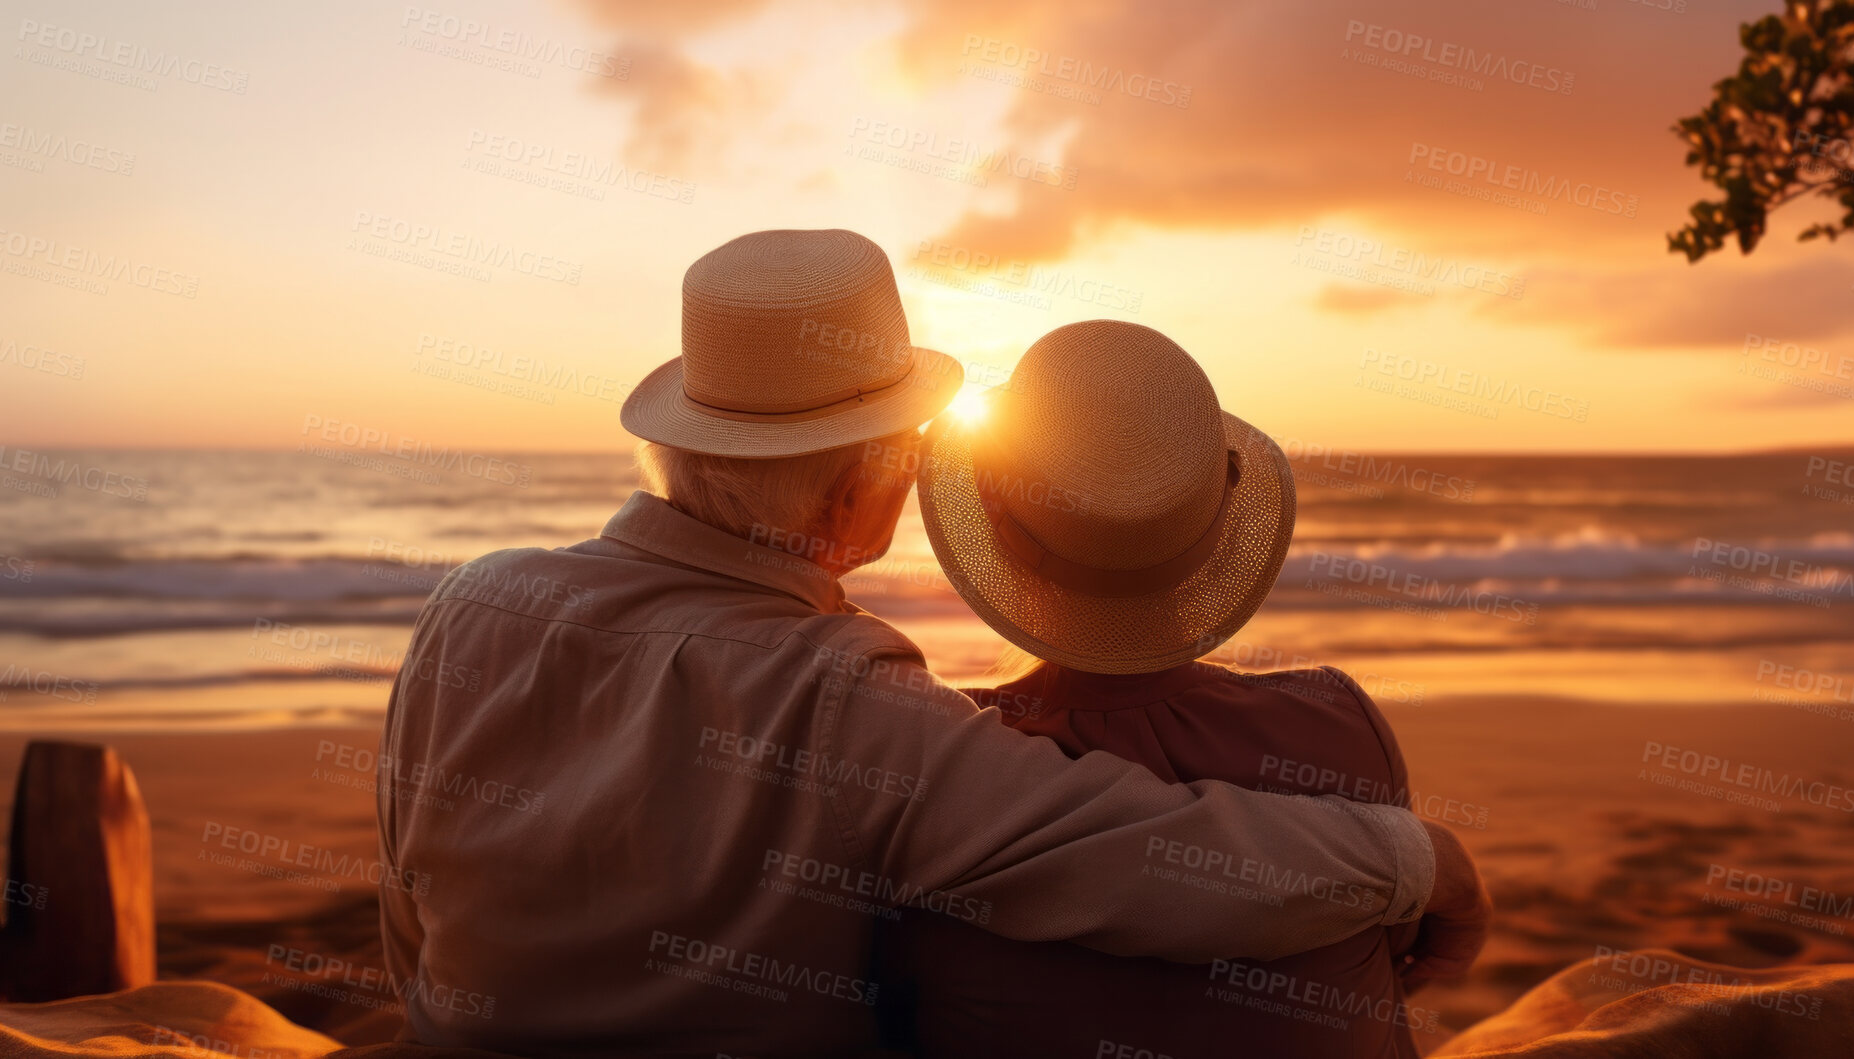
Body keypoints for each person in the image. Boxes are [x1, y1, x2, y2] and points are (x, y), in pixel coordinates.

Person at [375, 230, 1489, 1057]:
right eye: (904, 454)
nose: (911, 477)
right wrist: (1416, 861)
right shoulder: (844, 692)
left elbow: (411, 919)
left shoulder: (473, 606)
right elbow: (1144, 859)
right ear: (854, 492)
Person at [879, 319, 1457, 1057]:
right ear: (1214, 525)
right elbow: (1398, 942)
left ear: (995, 524)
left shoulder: (935, 759)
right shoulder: (1336, 724)